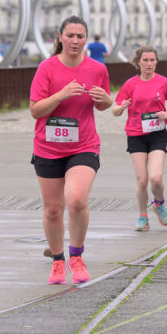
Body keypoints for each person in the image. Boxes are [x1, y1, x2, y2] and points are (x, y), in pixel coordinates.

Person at [30, 16, 112, 285]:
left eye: (80, 36)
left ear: (86, 39)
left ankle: (77, 257)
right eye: (70, 36)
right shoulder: (47, 68)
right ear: (60, 37)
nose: (75, 41)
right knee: (53, 209)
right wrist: (61, 94)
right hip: (48, 147)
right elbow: (35, 110)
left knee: (76, 199)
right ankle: (58, 261)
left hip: (83, 145)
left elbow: (103, 104)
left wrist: (106, 100)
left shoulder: (97, 69)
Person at [112, 45, 167, 231]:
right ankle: (142, 217)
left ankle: (159, 203)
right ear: (138, 62)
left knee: (156, 177)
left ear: (156, 62)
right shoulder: (130, 84)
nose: (149, 64)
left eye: (152, 60)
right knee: (142, 180)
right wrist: (121, 107)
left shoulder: (163, 82)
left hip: (157, 134)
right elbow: (115, 110)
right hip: (136, 134)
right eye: (145, 60)